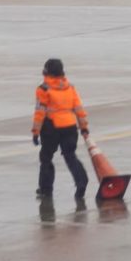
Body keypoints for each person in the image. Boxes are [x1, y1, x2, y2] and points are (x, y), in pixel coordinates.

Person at [31, 58, 89, 207]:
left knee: (46, 157)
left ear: (47, 71)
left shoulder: (43, 89)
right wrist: (83, 127)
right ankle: (81, 181)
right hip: (70, 127)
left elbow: (40, 112)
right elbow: (79, 110)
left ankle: (45, 189)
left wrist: (36, 131)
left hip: (51, 128)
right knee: (70, 156)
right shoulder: (70, 87)